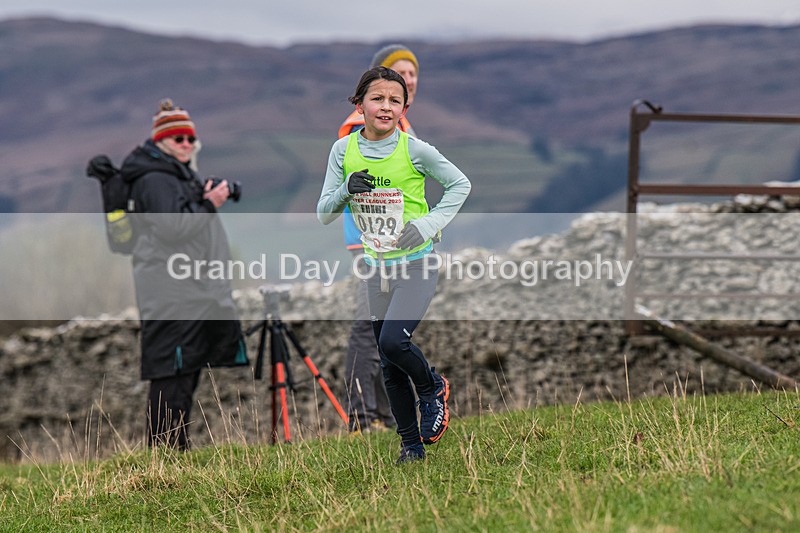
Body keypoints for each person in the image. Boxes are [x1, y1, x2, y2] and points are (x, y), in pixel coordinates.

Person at [318, 67, 471, 464]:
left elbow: (460, 185)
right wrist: (344, 190)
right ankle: (411, 446)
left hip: (417, 265)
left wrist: (427, 224)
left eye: (395, 101)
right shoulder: (343, 151)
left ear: (405, 107)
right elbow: (323, 213)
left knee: (391, 342)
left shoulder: (414, 149)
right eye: (378, 99)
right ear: (360, 104)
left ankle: (433, 387)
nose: (386, 107)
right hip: (375, 269)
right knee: (388, 366)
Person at [120, 98, 249, 450]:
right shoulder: (154, 178)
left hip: (187, 286)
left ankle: (175, 448)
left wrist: (202, 195)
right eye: (179, 139)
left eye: (191, 139)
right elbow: (173, 228)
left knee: (185, 367)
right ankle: (165, 450)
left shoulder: (175, 174)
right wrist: (210, 203)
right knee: (171, 370)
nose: (187, 145)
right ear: (161, 141)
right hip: (169, 288)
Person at [338, 44, 421, 434]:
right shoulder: (363, 126)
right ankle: (361, 417)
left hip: (398, 243)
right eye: (398, 71)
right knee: (367, 326)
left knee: (387, 329)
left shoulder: (402, 126)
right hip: (370, 242)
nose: (409, 79)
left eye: (412, 73)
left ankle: (386, 415)